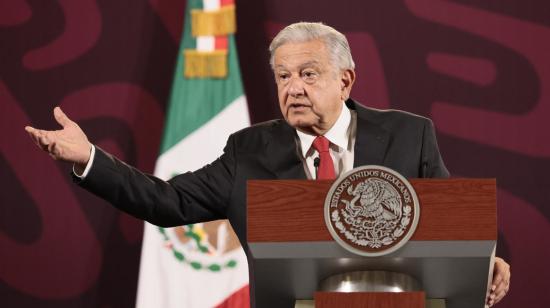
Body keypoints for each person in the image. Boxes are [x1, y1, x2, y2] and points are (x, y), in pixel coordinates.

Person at [25, 22, 510, 306]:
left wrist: (487, 261)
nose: (292, 87)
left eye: (308, 74)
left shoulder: (409, 134)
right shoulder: (249, 151)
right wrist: (89, 158)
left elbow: (451, 224)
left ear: (346, 80)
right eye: (282, 75)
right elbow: (166, 202)